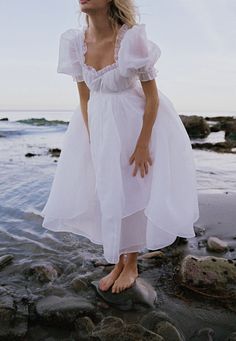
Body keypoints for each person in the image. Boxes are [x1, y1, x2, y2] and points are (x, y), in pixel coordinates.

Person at [40, 0, 200, 294]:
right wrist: (91, 139)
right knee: (108, 191)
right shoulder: (75, 44)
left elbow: (151, 97)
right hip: (100, 125)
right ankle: (118, 260)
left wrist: (142, 143)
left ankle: (132, 264)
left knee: (133, 190)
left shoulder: (131, 39)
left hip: (135, 124)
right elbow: (85, 99)